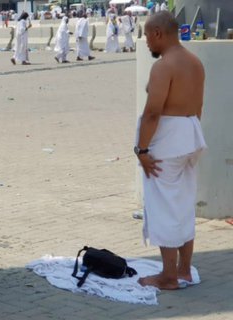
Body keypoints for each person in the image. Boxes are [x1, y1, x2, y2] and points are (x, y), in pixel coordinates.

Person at [135, 11, 207, 290]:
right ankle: (184, 269)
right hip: (189, 136)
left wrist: (142, 150)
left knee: (163, 205)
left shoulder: (164, 66)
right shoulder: (195, 62)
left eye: (146, 36)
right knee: (183, 203)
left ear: (157, 34)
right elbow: (198, 107)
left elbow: (153, 112)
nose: (146, 42)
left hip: (168, 139)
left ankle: (168, 276)